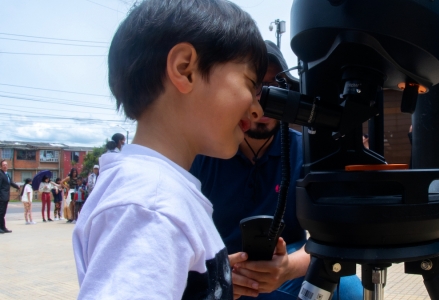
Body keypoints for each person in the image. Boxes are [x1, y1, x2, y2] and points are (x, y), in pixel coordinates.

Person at [72, 0, 267, 298]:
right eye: (250, 84)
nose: (256, 110)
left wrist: (209, 282)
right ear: (185, 69)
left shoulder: (156, 195)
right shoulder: (151, 206)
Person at [189, 40, 363, 299]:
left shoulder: (305, 153)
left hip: (283, 268)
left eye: (276, 87)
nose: (266, 99)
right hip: (216, 272)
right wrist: (218, 275)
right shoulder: (204, 153)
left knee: (346, 285)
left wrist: (287, 268)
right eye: (255, 86)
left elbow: (331, 238)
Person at [0, 160, 20, 233]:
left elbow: (10, 182)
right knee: (1, 213)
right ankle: (1, 228)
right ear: (1, 166)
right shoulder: (0, 174)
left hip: (6, 196)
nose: (5, 166)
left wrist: (17, 186)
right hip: (2, 196)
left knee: (3, 213)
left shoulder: (7, 174)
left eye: (6, 165)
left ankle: (3, 227)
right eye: (3, 165)